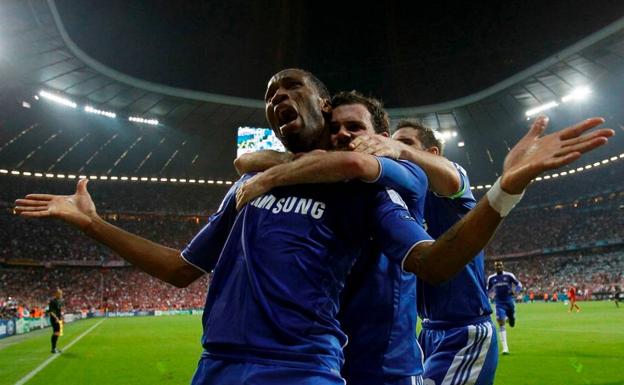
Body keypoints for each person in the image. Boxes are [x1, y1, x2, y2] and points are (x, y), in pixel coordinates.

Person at [15, 68, 613, 384]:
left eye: (291, 87)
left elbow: (430, 255)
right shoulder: (245, 186)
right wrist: (93, 224)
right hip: (218, 365)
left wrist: (506, 188)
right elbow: (179, 269)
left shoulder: (371, 189)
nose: (278, 97)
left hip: (316, 369)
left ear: (322, 107)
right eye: (270, 93)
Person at [236, 90, 430, 385]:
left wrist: (271, 177)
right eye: (334, 128)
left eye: (354, 127)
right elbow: (245, 160)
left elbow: (357, 164)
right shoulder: (326, 184)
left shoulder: (399, 177)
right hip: (328, 363)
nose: (342, 134)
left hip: (388, 370)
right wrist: (292, 161)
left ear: (382, 137)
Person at [356, 119, 498, 385]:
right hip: (427, 332)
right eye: (394, 142)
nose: (395, 148)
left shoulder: (449, 187)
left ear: (431, 153)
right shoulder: (399, 201)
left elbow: (451, 176)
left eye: (406, 142)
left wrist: (398, 150)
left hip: (464, 330)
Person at [487, 261, 522, 355]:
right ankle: (505, 348)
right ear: (495, 267)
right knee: (500, 321)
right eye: (497, 265)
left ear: (503, 266)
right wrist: (489, 295)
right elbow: (487, 289)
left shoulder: (509, 275)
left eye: (500, 265)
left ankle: (511, 318)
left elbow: (519, 284)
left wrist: (516, 292)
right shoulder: (491, 278)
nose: (499, 267)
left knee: (511, 321)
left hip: (509, 302)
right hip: (499, 303)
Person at [48, 289, 63, 354]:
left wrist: (61, 317)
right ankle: (53, 348)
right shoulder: (52, 301)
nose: (60, 295)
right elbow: (51, 311)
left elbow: (59, 311)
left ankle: (55, 348)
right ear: (56, 294)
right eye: (59, 293)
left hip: (59, 318)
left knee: (59, 332)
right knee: (56, 332)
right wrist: (56, 318)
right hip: (54, 319)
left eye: (61, 293)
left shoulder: (60, 301)